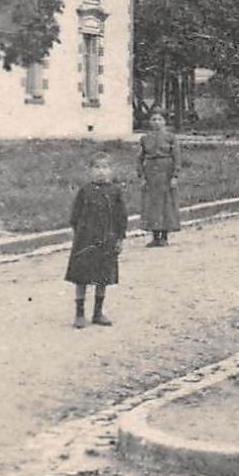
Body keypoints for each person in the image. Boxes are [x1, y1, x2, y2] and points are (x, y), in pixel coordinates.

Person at [65, 152, 128, 329]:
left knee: (103, 276)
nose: (101, 172)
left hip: (107, 239)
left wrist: (119, 238)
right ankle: (79, 314)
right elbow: (75, 216)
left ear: (112, 171)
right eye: (97, 167)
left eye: (105, 167)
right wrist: (78, 235)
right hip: (85, 240)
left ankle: (98, 312)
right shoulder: (85, 191)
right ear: (90, 170)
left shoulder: (115, 191)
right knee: (81, 277)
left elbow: (121, 217)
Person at [138, 111, 181, 247]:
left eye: (159, 119)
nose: (156, 122)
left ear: (164, 122)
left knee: (166, 203)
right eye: (153, 119)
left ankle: (164, 236)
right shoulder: (145, 138)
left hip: (166, 172)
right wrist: (142, 176)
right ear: (149, 122)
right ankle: (155, 236)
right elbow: (139, 158)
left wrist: (175, 176)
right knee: (152, 204)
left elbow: (177, 158)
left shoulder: (171, 137)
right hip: (151, 172)